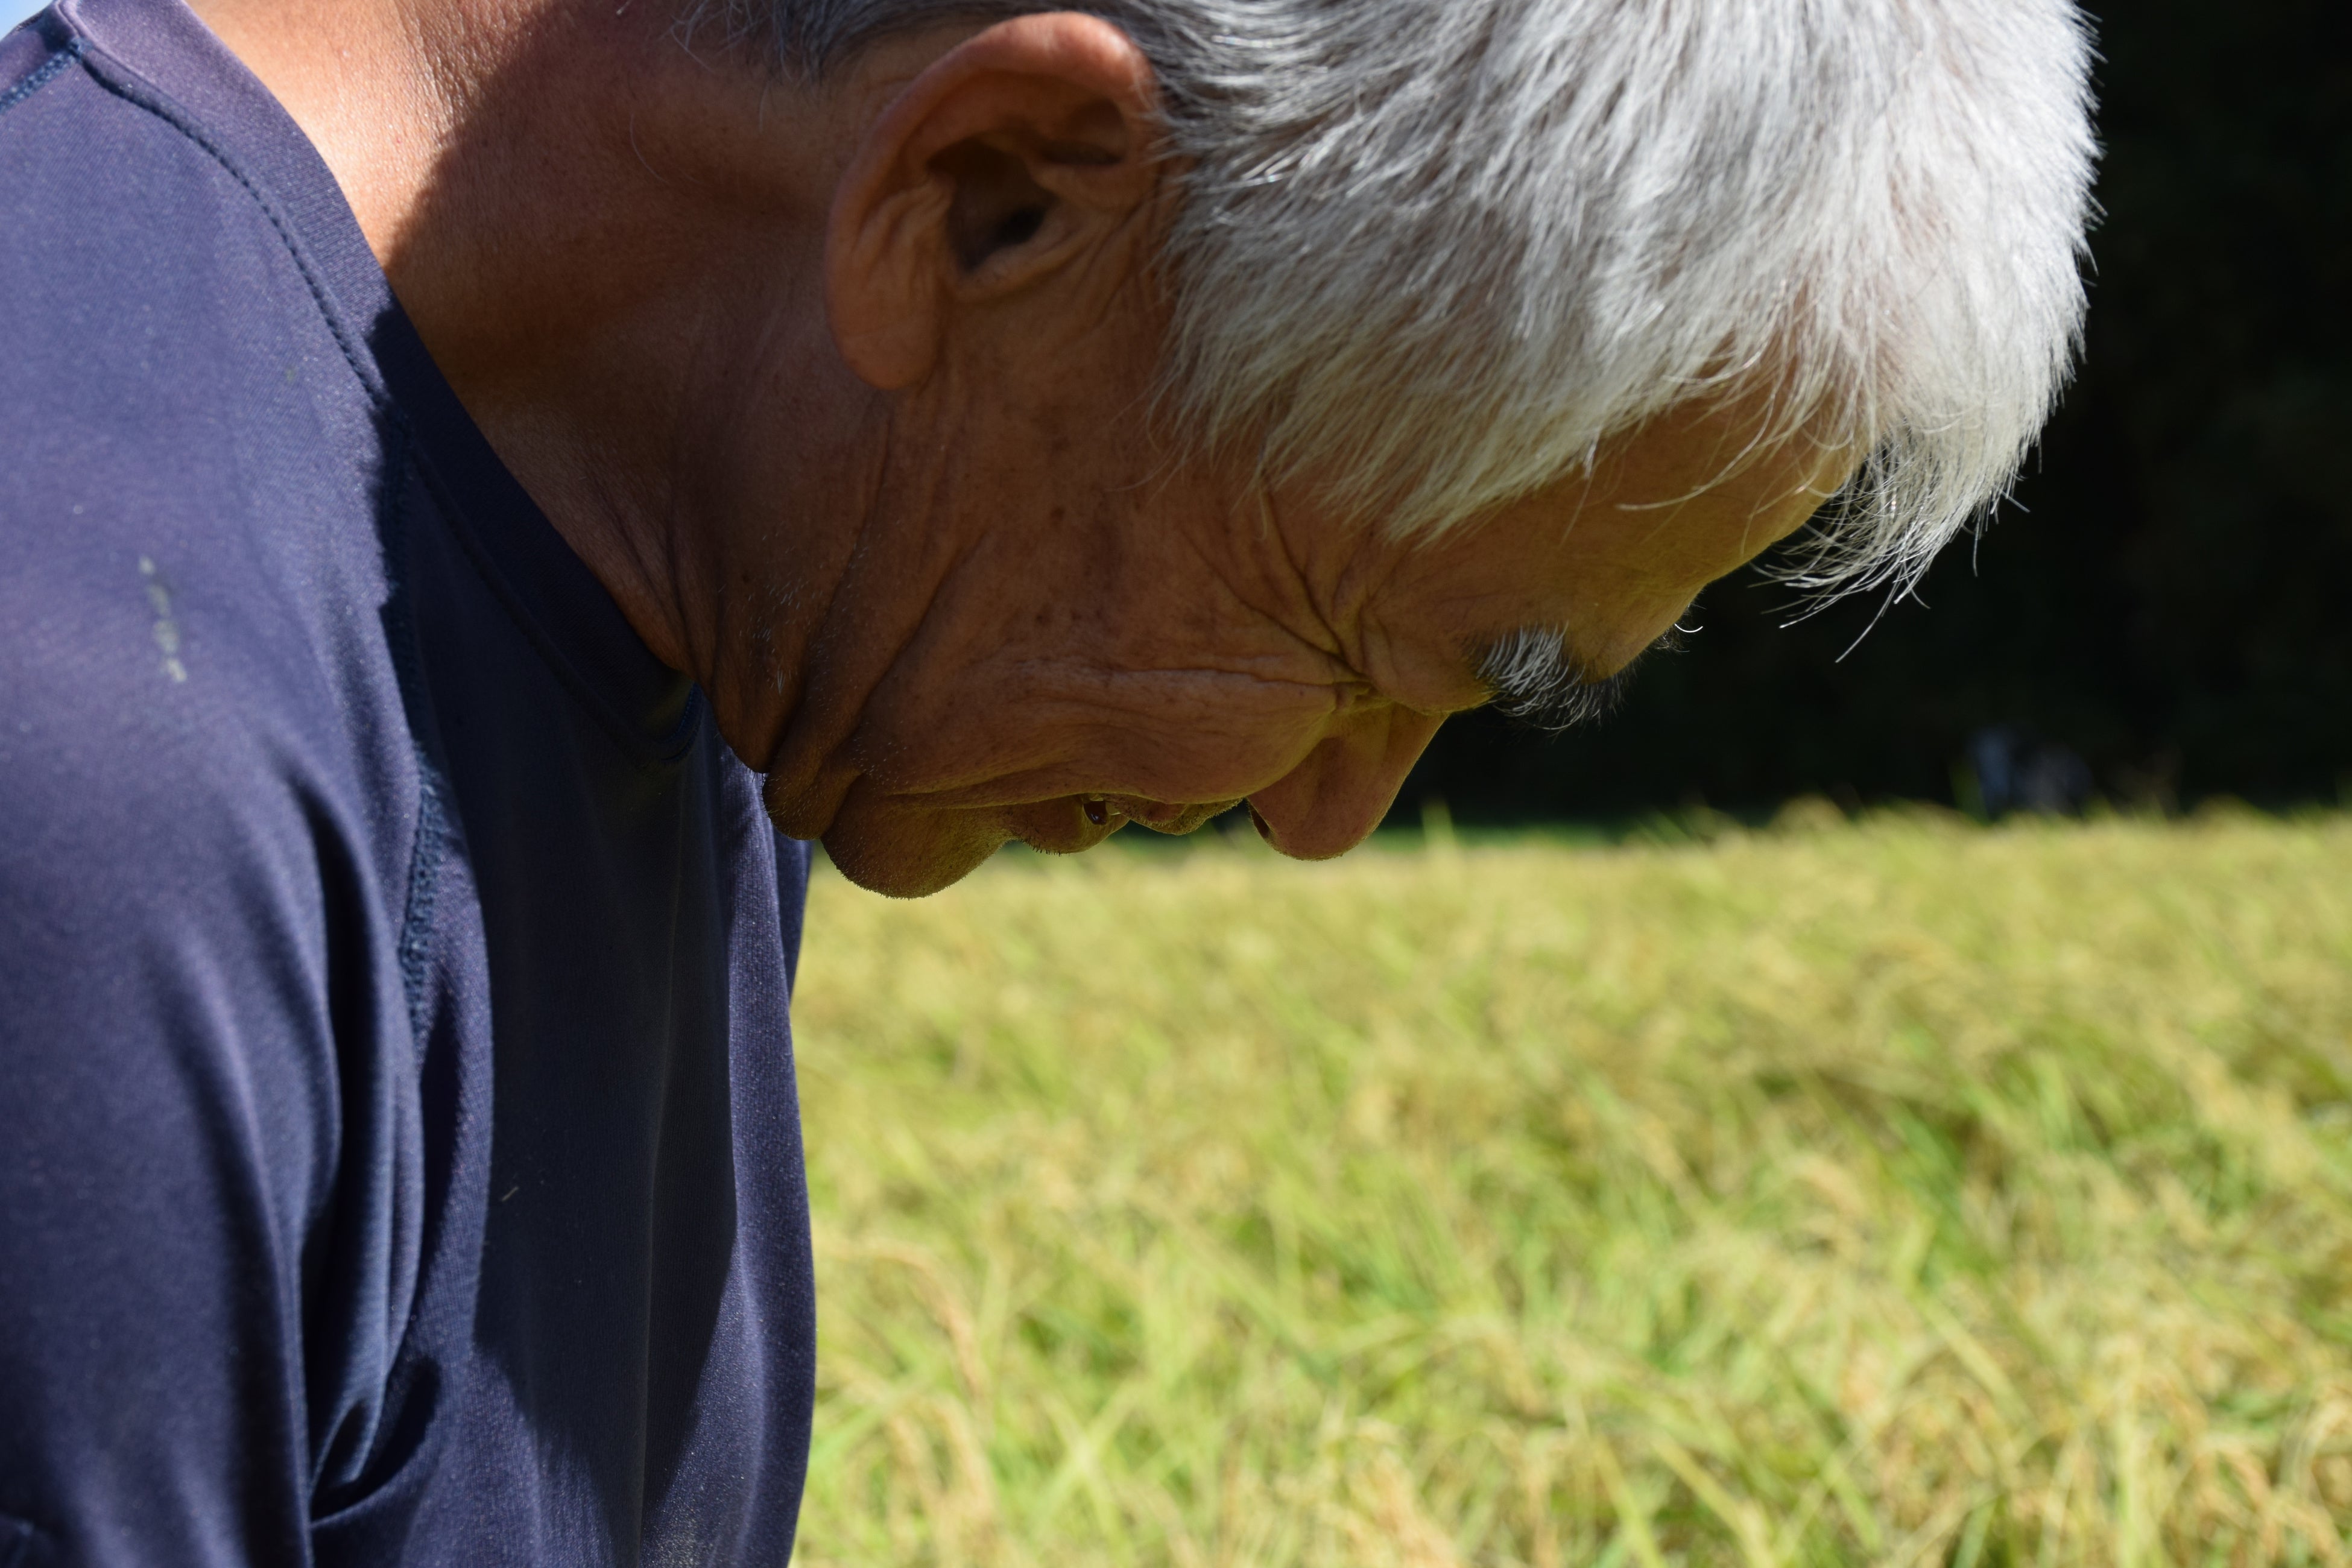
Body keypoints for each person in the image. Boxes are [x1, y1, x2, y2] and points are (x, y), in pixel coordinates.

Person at [0, 0, 2093, 1560]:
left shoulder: (721, 536)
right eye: (1365, 655)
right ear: (991, 201)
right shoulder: (108, 782)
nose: (1322, 816)